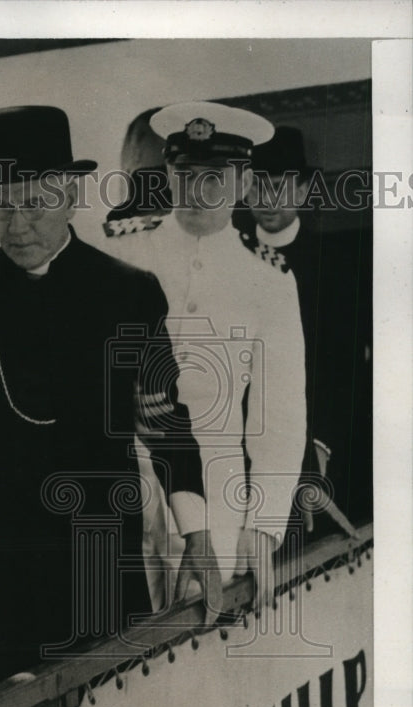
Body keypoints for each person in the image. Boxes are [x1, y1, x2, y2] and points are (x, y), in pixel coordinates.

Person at [0, 105, 221, 707]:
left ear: (70, 195)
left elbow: (165, 423)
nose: (18, 224)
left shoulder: (127, 294)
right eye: (4, 206)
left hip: (78, 557)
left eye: (34, 204)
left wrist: (194, 533)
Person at [105, 101, 307, 611]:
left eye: (216, 176)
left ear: (242, 183)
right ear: (168, 175)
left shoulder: (270, 279)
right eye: (185, 173)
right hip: (123, 491)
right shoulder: (123, 255)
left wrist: (262, 527)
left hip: (220, 505)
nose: (198, 191)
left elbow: (278, 417)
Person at [238, 125, 373, 532]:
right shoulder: (229, 261)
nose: (267, 199)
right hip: (247, 449)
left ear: (302, 189)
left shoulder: (340, 266)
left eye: (279, 185)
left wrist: (320, 443)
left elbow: (349, 369)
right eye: (256, 187)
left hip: (325, 447)